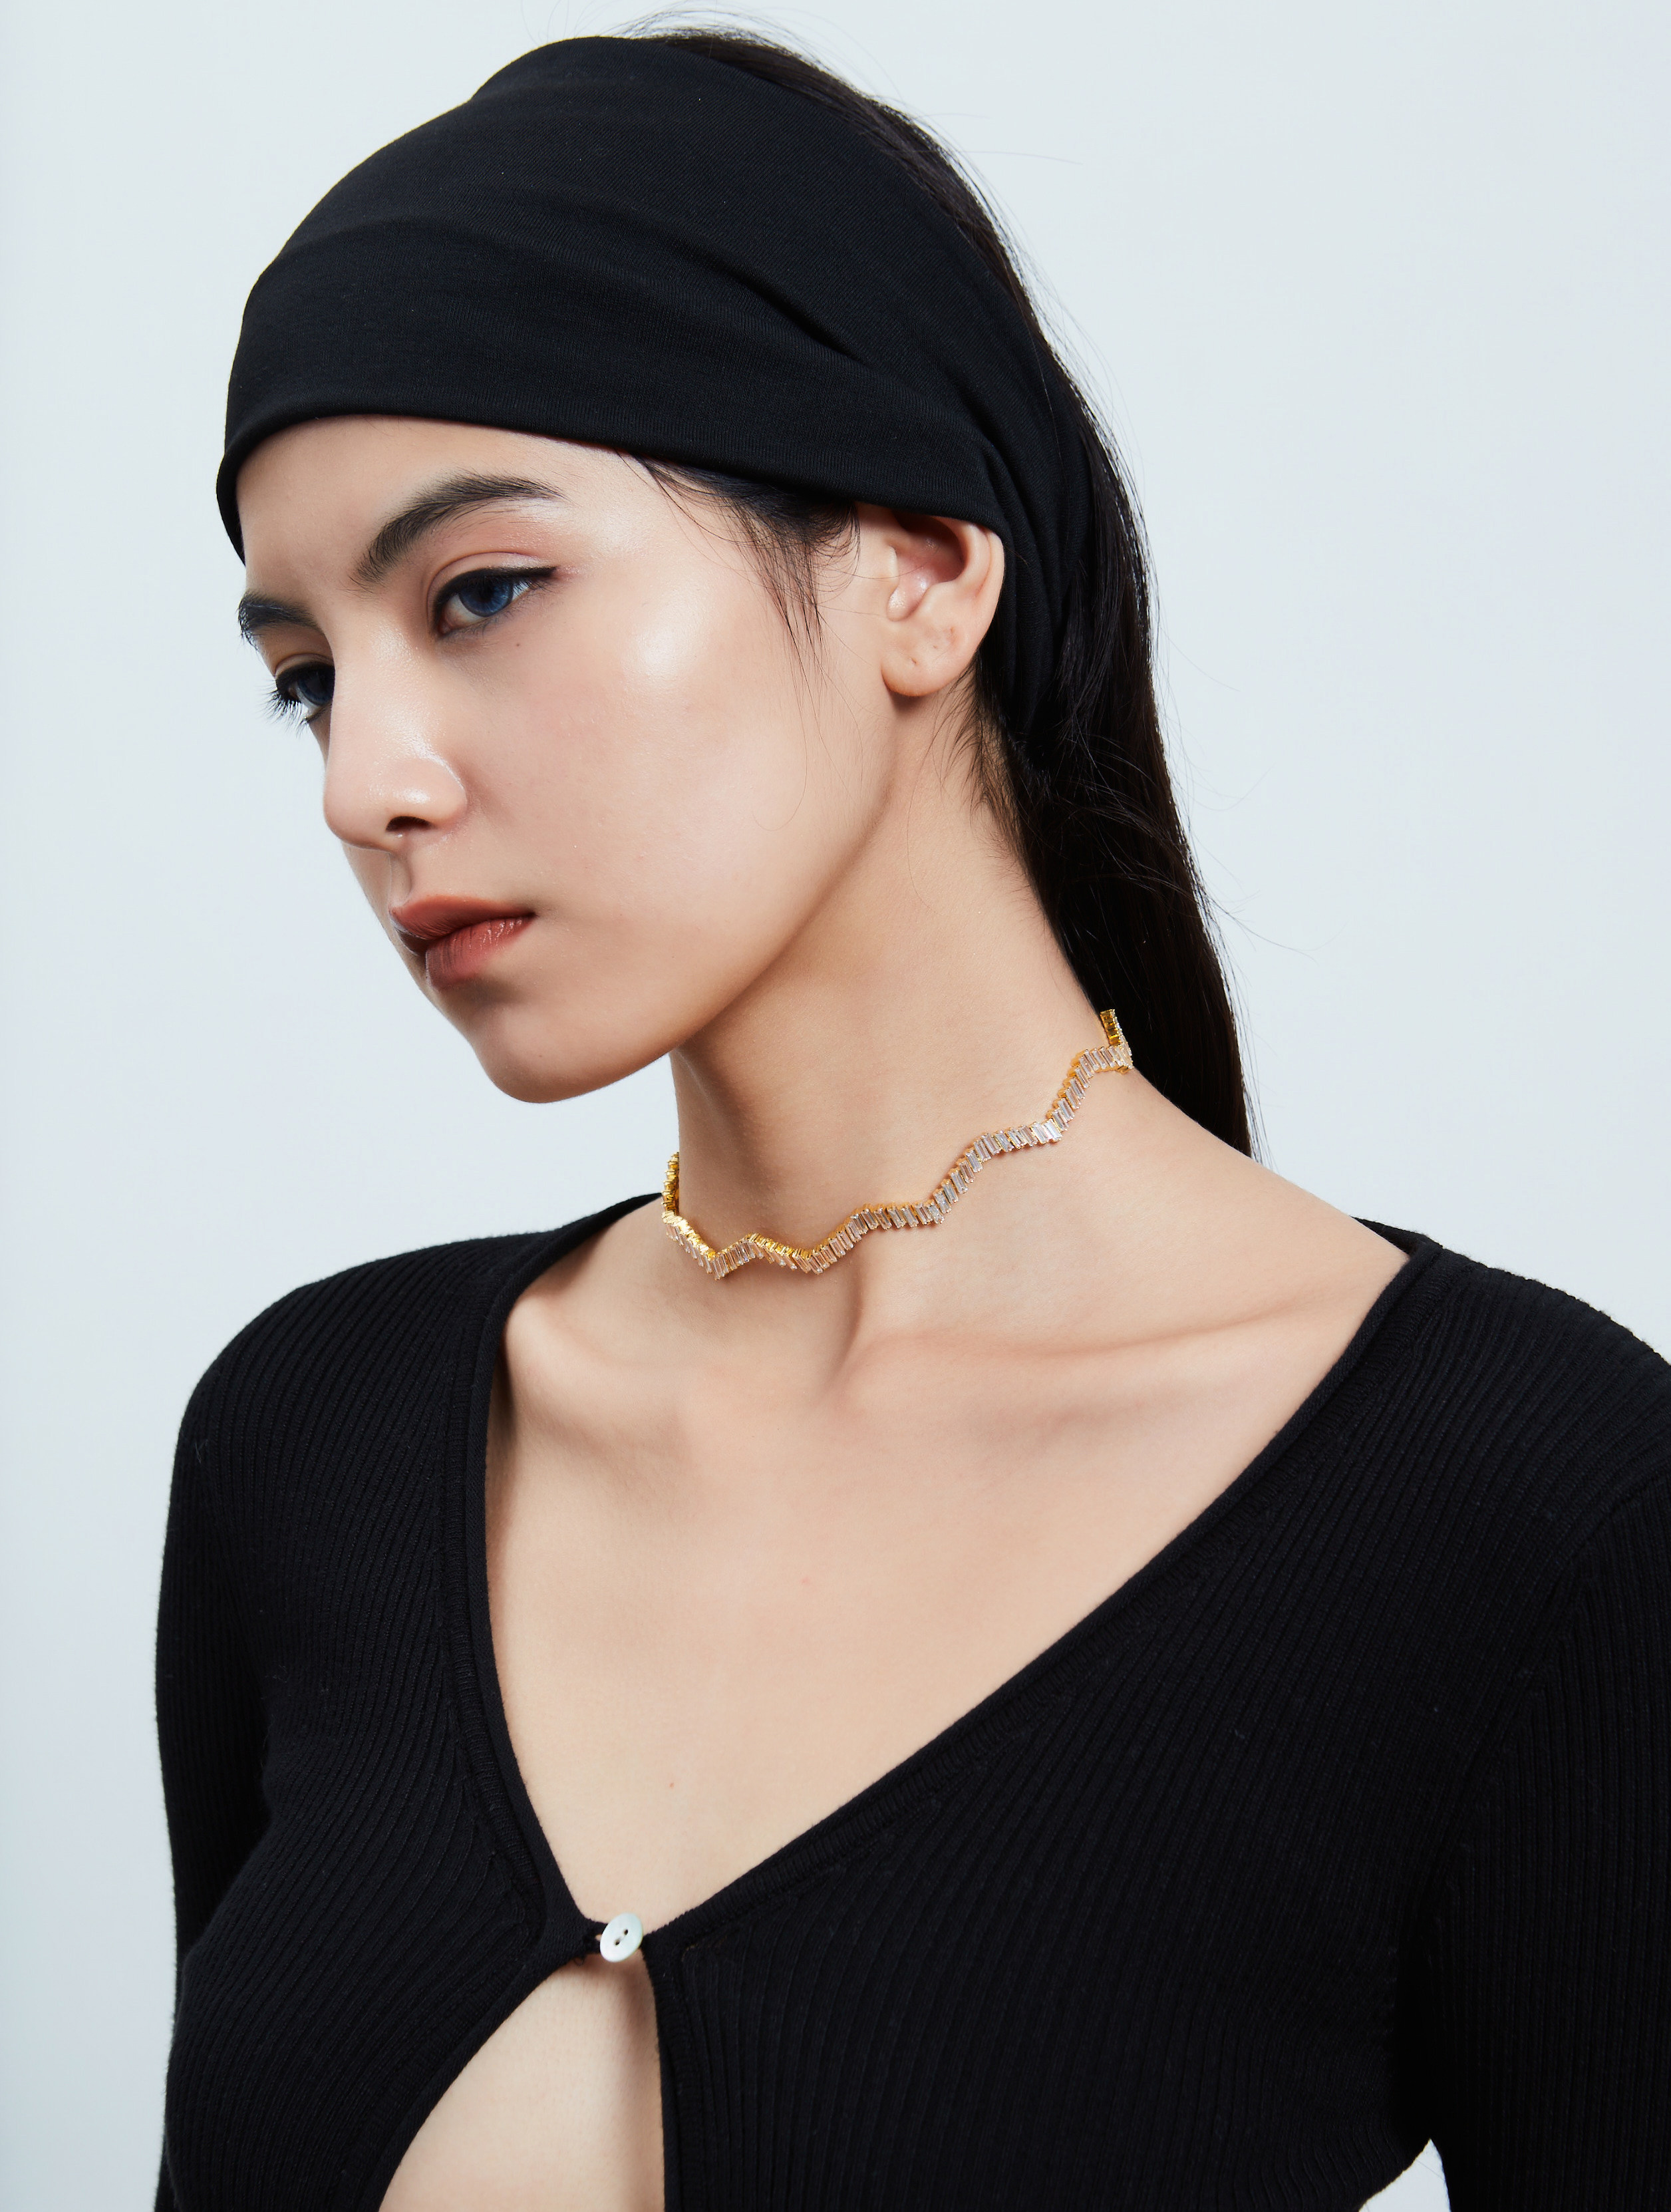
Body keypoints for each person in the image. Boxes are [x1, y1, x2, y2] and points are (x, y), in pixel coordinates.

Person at [155, 29, 1670, 2212]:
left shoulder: (1526, 1512)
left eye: (480, 594)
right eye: (308, 673)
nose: (364, 781)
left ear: (924, 571)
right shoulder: (315, 1442)